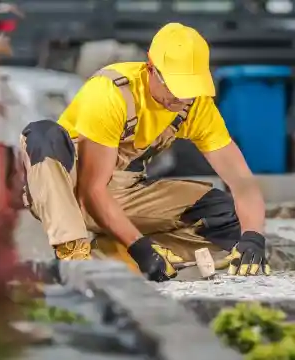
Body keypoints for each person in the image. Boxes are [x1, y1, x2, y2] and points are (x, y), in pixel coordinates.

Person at [18, 23, 271, 282]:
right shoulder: (111, 92)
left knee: (225, 216)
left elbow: (242, 182)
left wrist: (253, 237)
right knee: (41, 134)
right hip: (70, 191)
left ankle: (118, 256)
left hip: (124, 193)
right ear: (151, 67)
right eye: (175, 88)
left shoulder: (195, 106)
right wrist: (139, 244)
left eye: (189, 90)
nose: (181, 100)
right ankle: (75, 256)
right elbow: (91, 191)